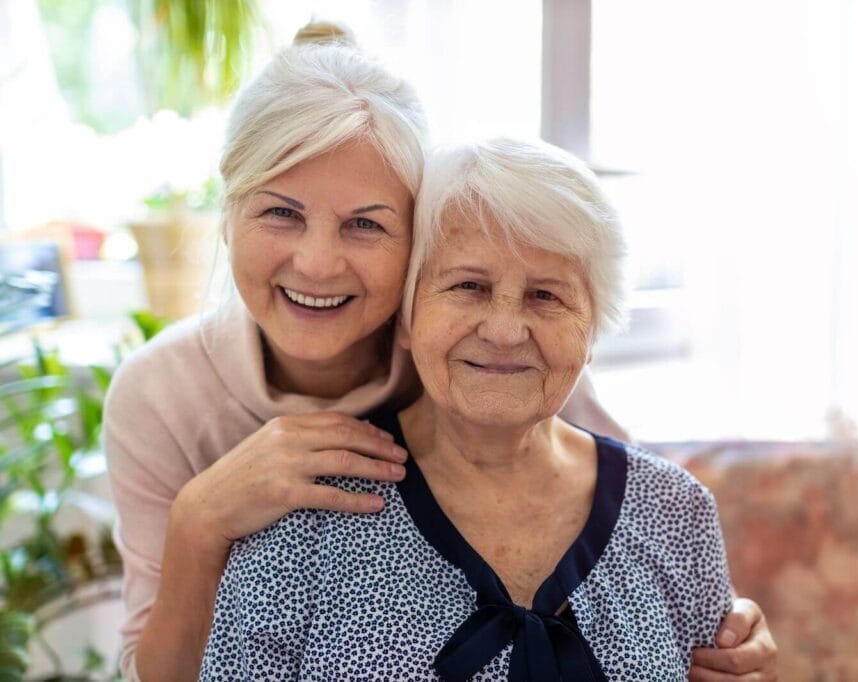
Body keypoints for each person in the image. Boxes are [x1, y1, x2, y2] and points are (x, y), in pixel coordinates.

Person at [104, 20, 777, 682]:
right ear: (227, 215)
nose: (316, 262)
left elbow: (638, 534)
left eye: (365, 223)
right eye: (280, 212)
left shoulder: (503, 363)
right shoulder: (163, 395)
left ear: (417, 245)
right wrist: (200, 520)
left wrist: (723, 634)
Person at [201, 137, 733, 680]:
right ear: (405, 318)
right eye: (469, 286)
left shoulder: (676, 513)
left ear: (593, 330)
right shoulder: (305, 514)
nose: (504, 331)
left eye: (545, 296)